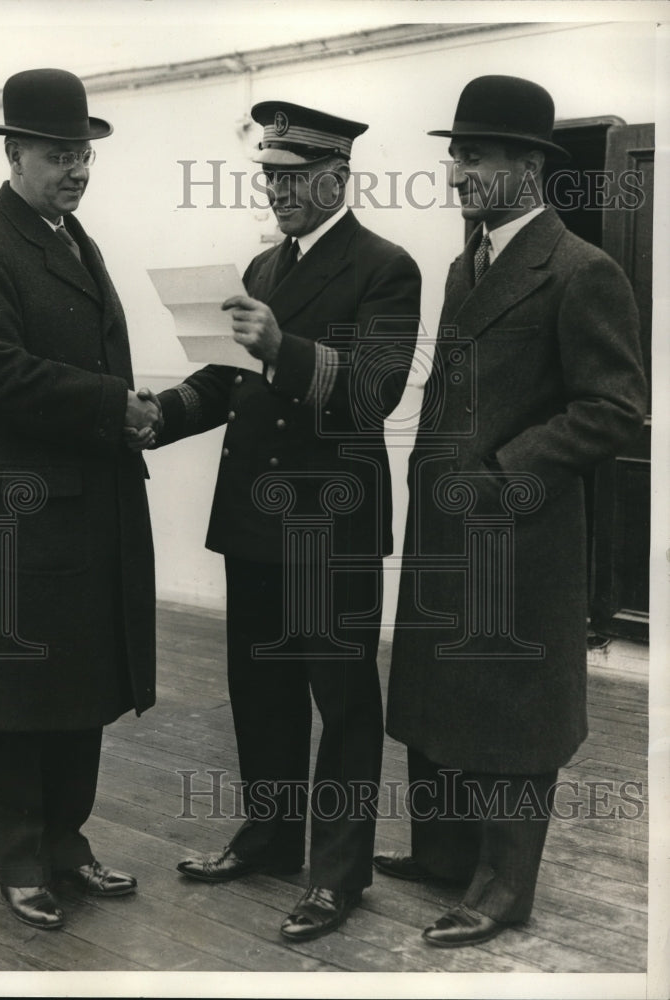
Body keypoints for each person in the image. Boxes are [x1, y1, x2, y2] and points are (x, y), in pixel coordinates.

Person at [375, 75, 647, 947]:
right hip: (446, 522)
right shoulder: (468, 265)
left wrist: (505, 473)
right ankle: (443, 854)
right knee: (441, 691)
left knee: (514, 707)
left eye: (476, 156)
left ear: (528, 165)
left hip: (519, 532)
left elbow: (615, 408)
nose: (457, 172)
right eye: (455, 155)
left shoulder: (582, 270)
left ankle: (503, 889)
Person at [140, 101, 421, 940]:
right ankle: (268, 838)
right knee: (259, 689)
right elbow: (226, 382)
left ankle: (338, 874)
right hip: (255, 520)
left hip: (331, 526)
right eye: (269, 176)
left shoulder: (386, 267)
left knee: (342, 703)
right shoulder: (263, 267)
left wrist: (282, 350)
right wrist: (159, 414)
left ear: (338, 178)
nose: (277, 191)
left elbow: (375, 392)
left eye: (294, 178)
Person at [0, 68, 162, 931]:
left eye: (84, 154)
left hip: (84, 505)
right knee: (21, 694)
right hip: (18, 516)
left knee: (81, 681)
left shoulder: (72, 239)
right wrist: (115, 406)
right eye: (60, 155)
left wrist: (128, 413)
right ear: (15, 153)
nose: (77, 169)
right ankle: (22, 861)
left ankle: (67, 843)